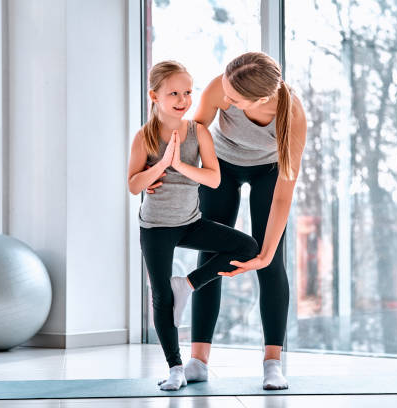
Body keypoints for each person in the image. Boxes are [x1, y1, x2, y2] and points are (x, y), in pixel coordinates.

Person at [146, 52, 307, 390]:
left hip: (268, 172)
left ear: (261, 99)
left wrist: (264, 254)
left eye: (234, 99)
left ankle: (273, 363)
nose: (225, 98)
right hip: (221, 166)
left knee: (270, 260)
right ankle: (198, 361)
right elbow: (195, 132)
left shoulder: (291, 115)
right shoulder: (222, 85)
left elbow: (283, 195)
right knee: (212, 254)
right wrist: (161, 168)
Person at [128, 60, 259, 391]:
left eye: (187, 92)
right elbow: (133, 184)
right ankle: (175, 368)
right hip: (155, 227)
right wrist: (160, 166)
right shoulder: (143, 136)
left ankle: (187, 283)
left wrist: (179, 165)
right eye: (174, 92)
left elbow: (213, 178)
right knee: (161, 297)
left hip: (190, 223)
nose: (183, 99)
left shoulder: (198, 132)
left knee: (247, 247)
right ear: (154, 96)